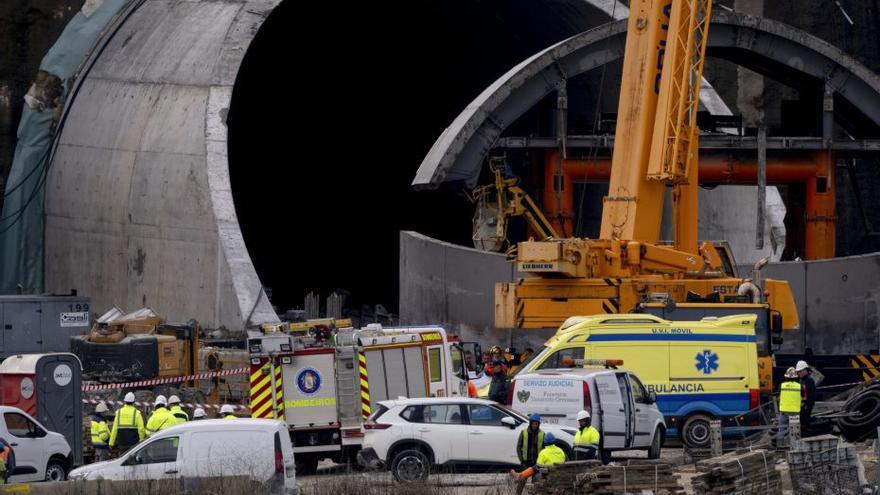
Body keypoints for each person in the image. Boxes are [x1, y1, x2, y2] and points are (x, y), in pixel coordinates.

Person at [775, 367, 802, 444]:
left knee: (782, 429)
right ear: (795, 377)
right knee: (795, 430)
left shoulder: (781, 385)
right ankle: (795, 445)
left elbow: (778, 396)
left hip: (784, 411)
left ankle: (780, 446)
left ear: (786, 377)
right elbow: (803, 398)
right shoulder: (799, 386)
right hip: (795, 412)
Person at [797, 360, 816, 433]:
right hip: (802, 406)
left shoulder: (809, 380)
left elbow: (812, 394)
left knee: (805, 422)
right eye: (798, 371)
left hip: (806, 406)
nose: (799, 373)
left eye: (800, 371)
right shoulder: (801, 380)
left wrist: (807, 405)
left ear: (805, 370)